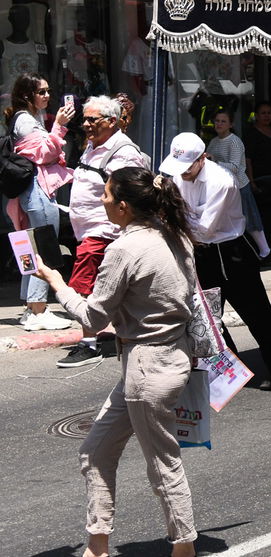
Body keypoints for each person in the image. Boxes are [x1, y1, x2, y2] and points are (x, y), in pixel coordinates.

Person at [32, 166, 200, 557]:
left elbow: (93, 319)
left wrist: (58, 283)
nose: (102, 201)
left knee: (162, 463)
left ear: (123, 206)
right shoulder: (175, 234)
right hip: (167, 359)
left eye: (106, 196)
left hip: (148, 369)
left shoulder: (125, 248)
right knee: (95, 449)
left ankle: (184, 547)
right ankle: (97, 544)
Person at [161, 132, 271, 391]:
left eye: (188, 166)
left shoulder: (221, 181)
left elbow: (204, 228)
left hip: (232, 252)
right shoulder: (178, 177)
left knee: (257, 314)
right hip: (200, 252)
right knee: (207, 317)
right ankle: (226, 370)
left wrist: (172, 218)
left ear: (202, 158)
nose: (184, 172)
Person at [60, 95, 149, 368]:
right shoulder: (93, 145)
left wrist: (117, 229)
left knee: (83, 287)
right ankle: (119, 333)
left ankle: (88, 344)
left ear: (112, 122)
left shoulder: (123, 152)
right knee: (108, 288)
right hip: (86, 228)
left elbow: (130, 196)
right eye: (84, 119)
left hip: (104, 231)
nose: (86, 124)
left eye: (92, 119)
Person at [5, 73, 74, 331]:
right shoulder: (25, 121)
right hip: (37, 190)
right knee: (43, 247)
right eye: (41, 92)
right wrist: (59, 126)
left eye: (48, 90)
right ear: (27, 95)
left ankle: (30, 307)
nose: (47, 95)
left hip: (29, 192)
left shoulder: (26, 118)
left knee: (29, 247)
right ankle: (38, 309)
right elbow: (45, 154)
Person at [205, 110, 271, 259]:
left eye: (223, 121)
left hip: (239, 186)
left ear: (231, 124)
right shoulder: (214, 141)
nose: (219, 124)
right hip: (221, 188)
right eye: (217, 121)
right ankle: (235, 252)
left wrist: (214, 162)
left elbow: (235, 167)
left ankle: (264, 250)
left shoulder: (234, 141)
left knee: (250, 218)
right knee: (228, 221)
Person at [243, 101, 271, 255]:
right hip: (260, 181)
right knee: (263, 216)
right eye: (263, 113)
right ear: (256, 115)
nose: (267, 116)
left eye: (269, 112)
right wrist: (252, 180)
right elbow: (247, 159)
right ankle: (264, 249)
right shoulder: (251, 134)